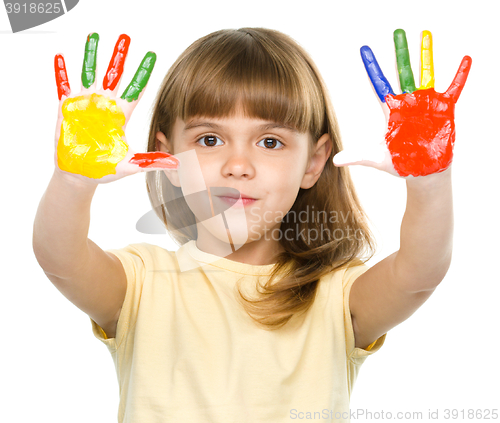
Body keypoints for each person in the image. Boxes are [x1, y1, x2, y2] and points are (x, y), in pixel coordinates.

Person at [33, 27, 471, 422]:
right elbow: (59, 257)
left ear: (313, 163)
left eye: (269, 141)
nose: (237, 165)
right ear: (167, 158)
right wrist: (72, 180)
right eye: (209, 139)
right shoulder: (143, 282)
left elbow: (420, 273)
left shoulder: (337, 295)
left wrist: (430, 181)